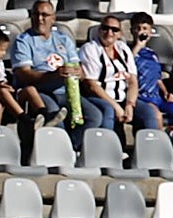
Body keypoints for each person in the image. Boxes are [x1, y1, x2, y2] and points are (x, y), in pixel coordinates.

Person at [11, 1, 104, 149]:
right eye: (36, 14)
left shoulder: (63, 39)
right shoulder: (23, 40)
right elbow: (24, 75)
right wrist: (53, 75)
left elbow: (79, 69)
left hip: (67, 90)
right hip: (40, 91)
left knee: (95, 116)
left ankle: (70, 148)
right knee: (55, 117)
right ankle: (59, 151)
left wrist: (79, 73)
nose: (40, 18)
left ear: (53, 18)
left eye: (45, 15)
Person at [79, 14, 153, 133]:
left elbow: (132, 80)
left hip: (122, 97)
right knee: (108, 110)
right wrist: (116, 106)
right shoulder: (90, 49)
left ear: (120, 34)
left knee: (148, 112)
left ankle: (149, 148)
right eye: (105, 28)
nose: (109, 33)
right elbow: (91, 85)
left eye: (115, 30)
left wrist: (130, 104)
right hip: (100, 97)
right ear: (99, 30)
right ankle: (106, 147)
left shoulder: (123, 48)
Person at [0, 28, 51, 127]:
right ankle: (25, 119)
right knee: (2, 92)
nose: (4, 54)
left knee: (30, 89)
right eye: (2, 50)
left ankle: (45, 116)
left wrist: (7, 86)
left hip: (4, 93)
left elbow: (4, 79)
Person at [129, 13, 173, 130]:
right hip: (141, 98)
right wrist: (138, 46)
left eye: (145, 28)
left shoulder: (152, 55)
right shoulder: (127, 51)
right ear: (132, 31)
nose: (142, 32)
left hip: (158, 98)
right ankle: (162, 144)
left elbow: (157, 79)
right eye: (138, 28)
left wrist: (167, 92)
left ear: (151, 32)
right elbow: (126, 66)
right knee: (156, 117)